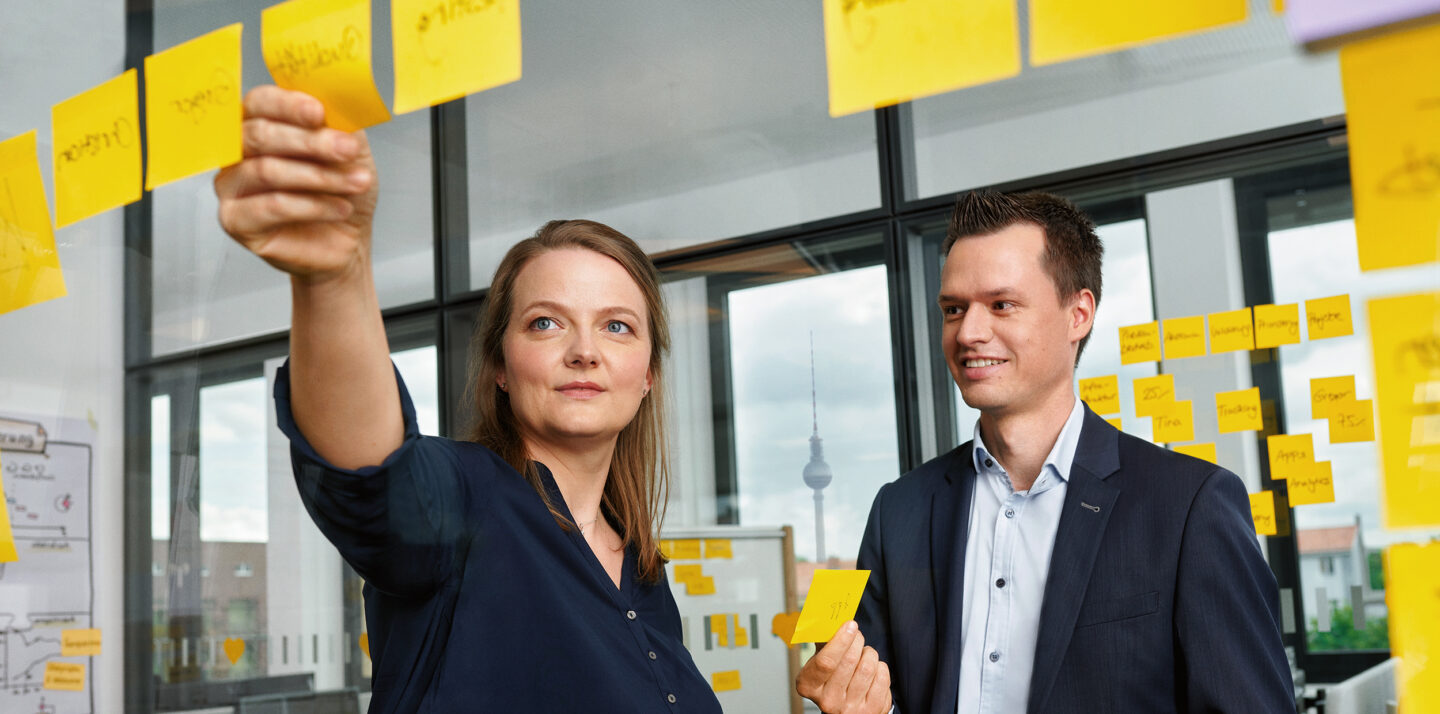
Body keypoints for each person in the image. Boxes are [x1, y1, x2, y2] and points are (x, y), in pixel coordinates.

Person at [215, 85, 722, 713]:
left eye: (617, 326)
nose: (585, 351)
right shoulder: (462, 500)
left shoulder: (642, 571)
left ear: (647, 375)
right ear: (501, 368)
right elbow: (368, 472)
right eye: (546, 323)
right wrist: (333, 278)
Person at [796, 191, 1294, 713]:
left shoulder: (1190, 506)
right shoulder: (899, 511)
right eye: (953, 309)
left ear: (1078, 314)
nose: (968, 332)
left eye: (1001, 305)